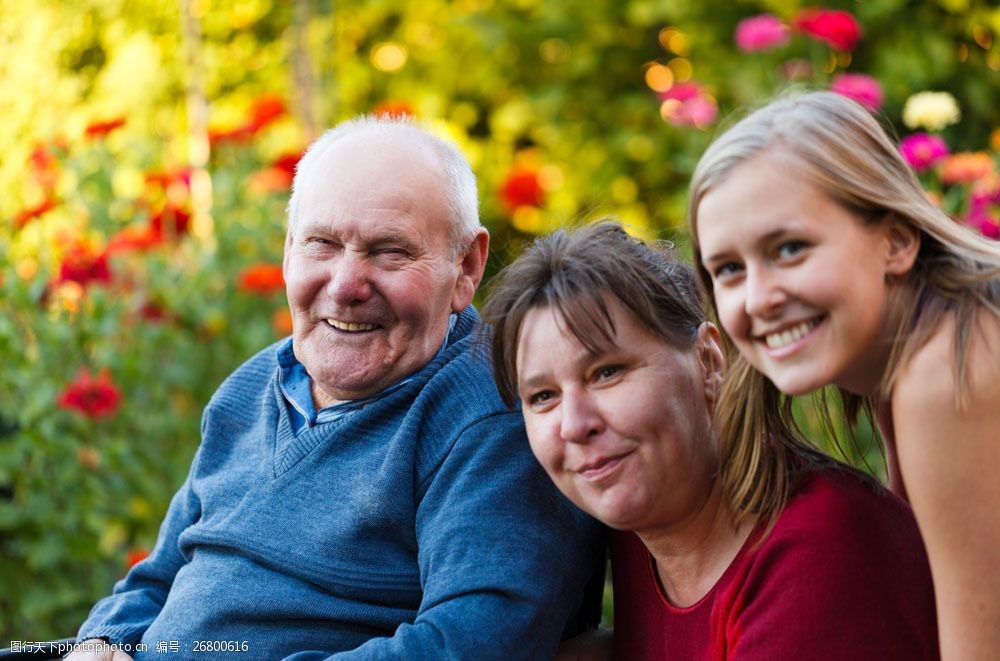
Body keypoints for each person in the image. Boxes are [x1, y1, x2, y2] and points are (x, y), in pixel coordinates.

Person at [66, 116, 603, 660]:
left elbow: (474, 642)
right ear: (287, 251)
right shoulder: (250, 388)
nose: (345, 286)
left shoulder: (488, 412)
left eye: (390, 251)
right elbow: (158, 578)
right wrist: (100, 643)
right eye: (322, 243)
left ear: (465, 267)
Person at [482, 221, 938, 660]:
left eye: (607, 372)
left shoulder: (815, 555)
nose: (575, 424)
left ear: (708, 359)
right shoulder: (644, 517)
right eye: (543, 397)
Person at [688, 90, 1000, 660]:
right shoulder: (901, 362)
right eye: (729, 269)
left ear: (896, 241)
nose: (758, 299)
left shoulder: (949, 368)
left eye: (789, 248)